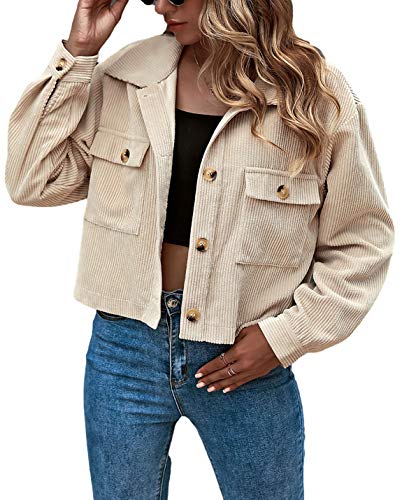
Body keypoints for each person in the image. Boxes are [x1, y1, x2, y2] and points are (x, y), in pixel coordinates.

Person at [5, 0, 394, 498]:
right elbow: (32, 179)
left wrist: (285, 338)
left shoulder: (314, 96)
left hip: (243, 354)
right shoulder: (126, 78)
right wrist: (79, 53)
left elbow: (362, 241)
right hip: (124, 349)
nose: (160, 6)